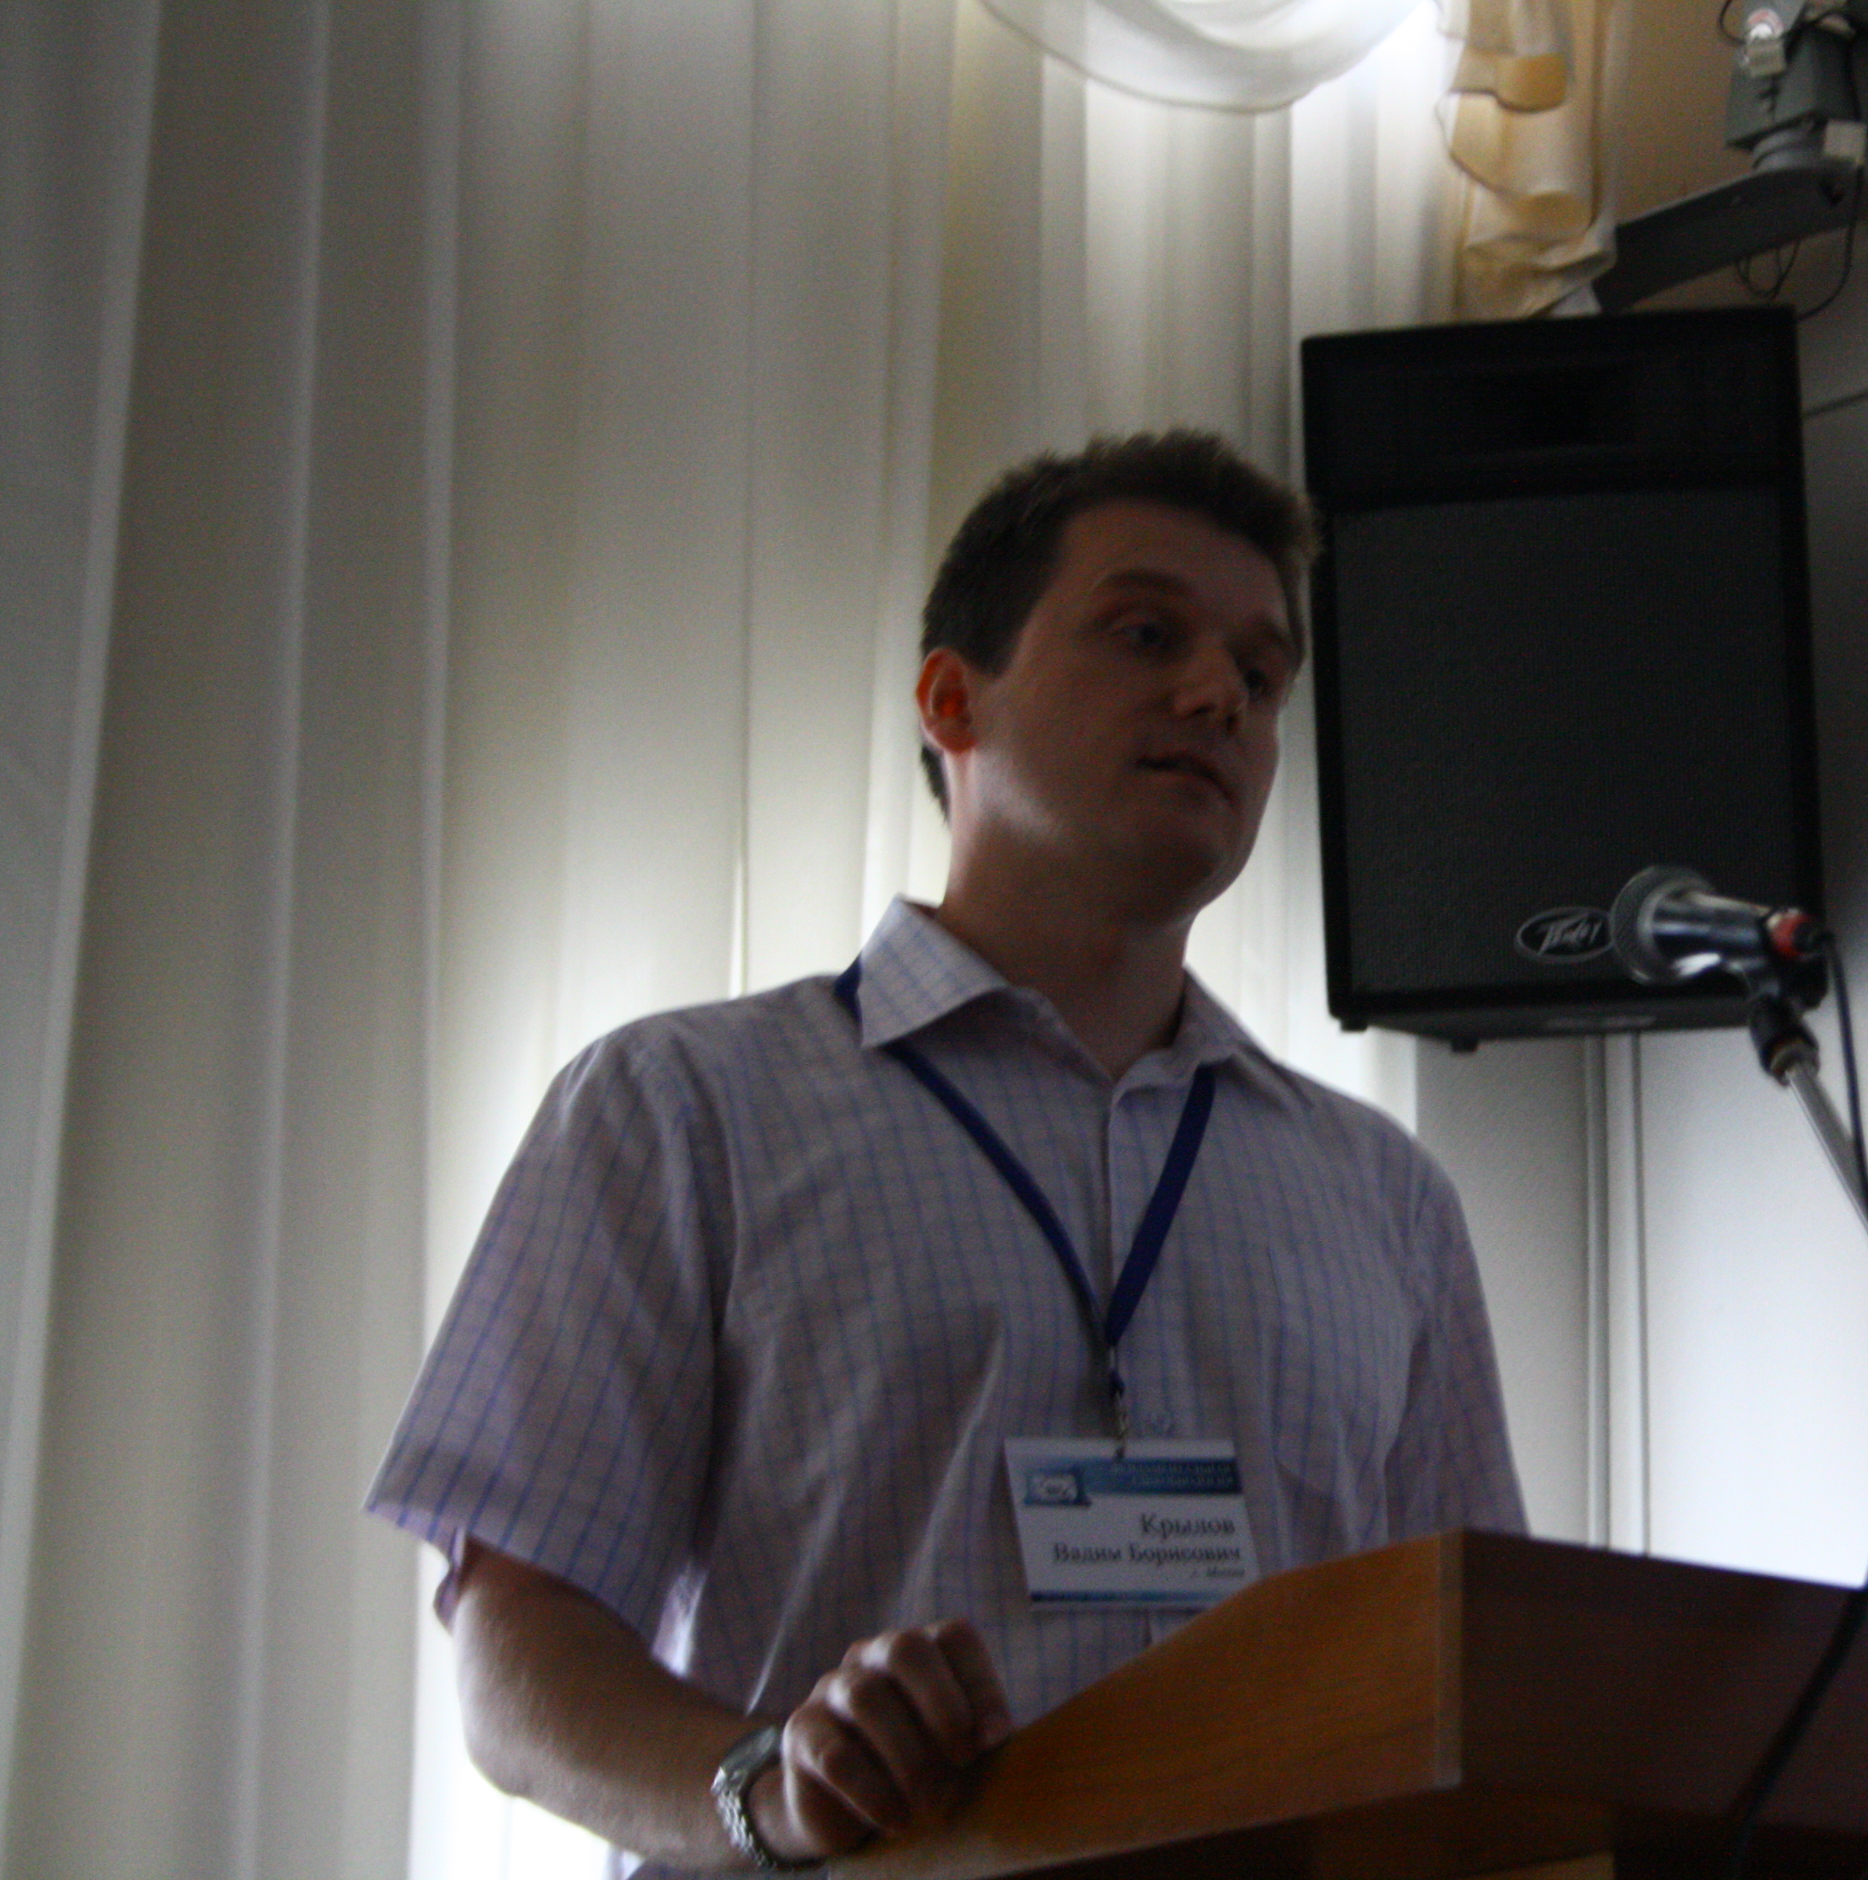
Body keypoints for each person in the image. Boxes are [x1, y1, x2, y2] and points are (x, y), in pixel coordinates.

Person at [367, 432, 1527, 1876]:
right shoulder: (681, 1109)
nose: (1216, 694)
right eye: (1146, 634)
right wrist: (768, 1789)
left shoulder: (1386, 1199)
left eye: (1260, 671)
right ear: (949, 699)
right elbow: (521, 1646)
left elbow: (1486, 1681)